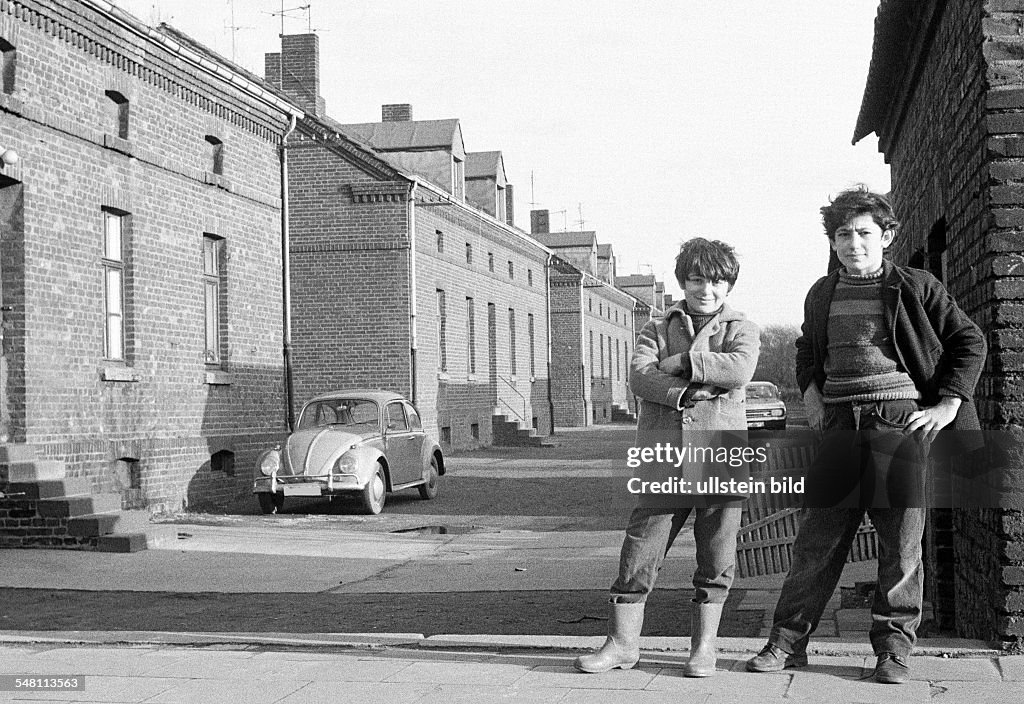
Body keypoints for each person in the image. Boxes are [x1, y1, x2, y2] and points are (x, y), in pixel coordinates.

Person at [745, 186, 986, 684]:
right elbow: (808, 348)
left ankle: (893, 651)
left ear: (886, 236)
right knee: (818, 541)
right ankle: (787, 644)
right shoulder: (822, 292)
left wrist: (947, 403)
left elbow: (970, 340)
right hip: (838, 422)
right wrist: (811, 392)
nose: (853, 244)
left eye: (864, 233)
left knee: (900, 544)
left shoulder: (915, 286)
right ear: (832, 242)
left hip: (896, 420)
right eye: (843, 235)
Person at [574, 237, 760, 678]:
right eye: (697, 279)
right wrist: (686, 390)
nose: (706, 289)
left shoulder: (742, 327)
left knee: (716, 554)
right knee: (641, 549)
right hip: (664, 457)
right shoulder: (655, 327)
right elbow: (639, 377)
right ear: (683, 282)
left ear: (728, 284)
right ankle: (621, 644)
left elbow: (739, 370)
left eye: (716, 281)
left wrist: (679, 361)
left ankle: (704, 648)